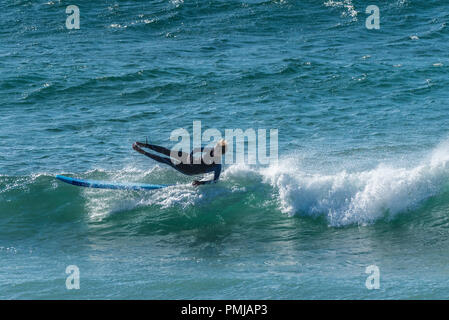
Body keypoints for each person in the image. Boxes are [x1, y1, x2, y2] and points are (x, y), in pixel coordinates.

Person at [132, 139, 227, 186]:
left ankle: (143, 152)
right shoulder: (210, 149)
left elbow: (215, 181)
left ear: (220, 153)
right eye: (215, 148)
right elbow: (198, 149)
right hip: (192, 160)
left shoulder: (217, 165)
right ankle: (145, 145)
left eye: (217, 151)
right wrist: (190, 155)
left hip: (190, 170)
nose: (214, 151)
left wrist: (201, 183)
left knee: (167, 160)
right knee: (168, 152)